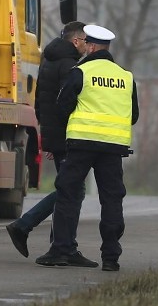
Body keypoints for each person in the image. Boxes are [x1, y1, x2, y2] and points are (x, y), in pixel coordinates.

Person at [35, 24, 138, 272]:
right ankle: (111, 258)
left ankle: (60, 250)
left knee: (68, 195)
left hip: (81, 145)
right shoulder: (126, 76)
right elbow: (133, 115)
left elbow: (62, 106)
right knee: (112, 200)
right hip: (113, 148)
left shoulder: (80, 71)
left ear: (90, 46)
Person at [6, 21, 87, 258]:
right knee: (72, 189)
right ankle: (25, 226)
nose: (86, 46)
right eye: (85, 41)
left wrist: (49, 138)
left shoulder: (49, 61)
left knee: (69, 187)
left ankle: (58, 240)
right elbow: (67, 106)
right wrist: (64, 139)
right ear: (76, 41)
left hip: (56, 135)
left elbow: (40, 102)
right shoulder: (70, 65)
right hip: (67, 136)